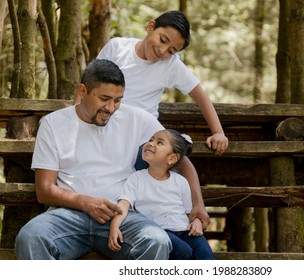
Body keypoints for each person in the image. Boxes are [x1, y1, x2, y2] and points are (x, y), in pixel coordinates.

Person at [14, 59, 207, 260]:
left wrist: (198, 205)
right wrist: (85, 202)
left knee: (156, 240)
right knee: (30, 236)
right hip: (67, 215)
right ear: (83, 91)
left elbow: (180, 159)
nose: (111, 107)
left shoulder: (136, 118)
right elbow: (44, 191)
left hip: (121, 216)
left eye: (118, 100)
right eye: (104, 98)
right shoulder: (54, 123)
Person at [75, 10, 228, 155]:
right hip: (105, 127)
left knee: (179, 160)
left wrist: (218, 133)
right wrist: (75, 121)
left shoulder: (171, 65)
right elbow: (88, 83)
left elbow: (201, 97)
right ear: (151, 27)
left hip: (143, 136)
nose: (162, 51)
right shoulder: (118, 48)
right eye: (163, 40)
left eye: (171, 51)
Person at [108, 129, 214, 260]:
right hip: (161, 231)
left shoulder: (180, 181)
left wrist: (197, 222)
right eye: (151, 140)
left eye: (159, 142)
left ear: (172, 158)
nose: (150, 143)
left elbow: (189, 213)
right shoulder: (136, 179)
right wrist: (114, 226)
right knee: (183, 251)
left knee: (205, 253)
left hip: (186, 230)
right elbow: (123, 205)